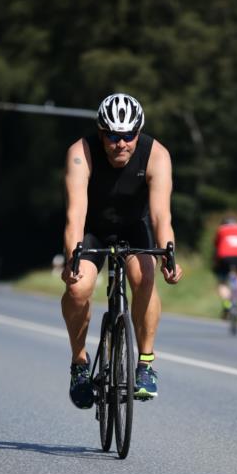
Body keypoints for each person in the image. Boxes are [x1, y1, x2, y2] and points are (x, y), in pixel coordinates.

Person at [61, 92, 182, 407]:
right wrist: (72, 256)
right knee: (78, 289)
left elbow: (160, 215)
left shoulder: (157, 155)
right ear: (101, 132)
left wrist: (169, 253)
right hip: (93, 230)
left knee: (144, 278)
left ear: (138, 133)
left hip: (133, 227)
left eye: (129, 135)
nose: (121, 143)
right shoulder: (80, 153)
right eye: (113, 135)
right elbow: (75, 213)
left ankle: (145, 364)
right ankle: (79, 364)